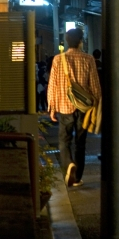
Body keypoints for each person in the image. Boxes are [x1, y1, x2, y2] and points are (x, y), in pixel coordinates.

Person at [47, 28, 101, 187]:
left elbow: (52, 85)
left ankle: (68, 163)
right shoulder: (89, 59)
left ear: (66, 41)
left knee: (64, 141)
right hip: (84, 109)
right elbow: (95, 87)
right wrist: (96, 106)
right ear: (80, 42)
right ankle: (77, 178)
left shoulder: (58, 59)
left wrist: (52, 107)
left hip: (64, 107)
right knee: (80, 142)